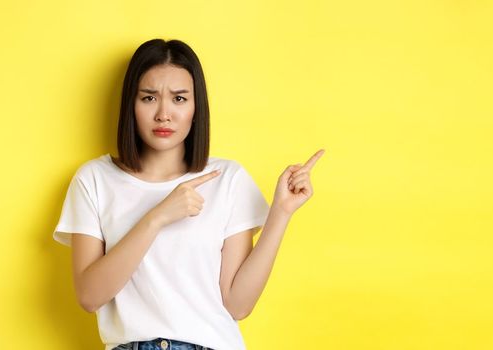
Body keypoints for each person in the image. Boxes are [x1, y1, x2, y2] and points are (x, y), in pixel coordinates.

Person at [53, 38, 324, 350]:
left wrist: (281, 211)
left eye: (179, 99)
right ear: (131, 104)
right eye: (149, 98)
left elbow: (237, 305)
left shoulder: (228, 179)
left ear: (196, 108)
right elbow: (89, 296)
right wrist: (157, 218)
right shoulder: (95, 179)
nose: (164, 114)